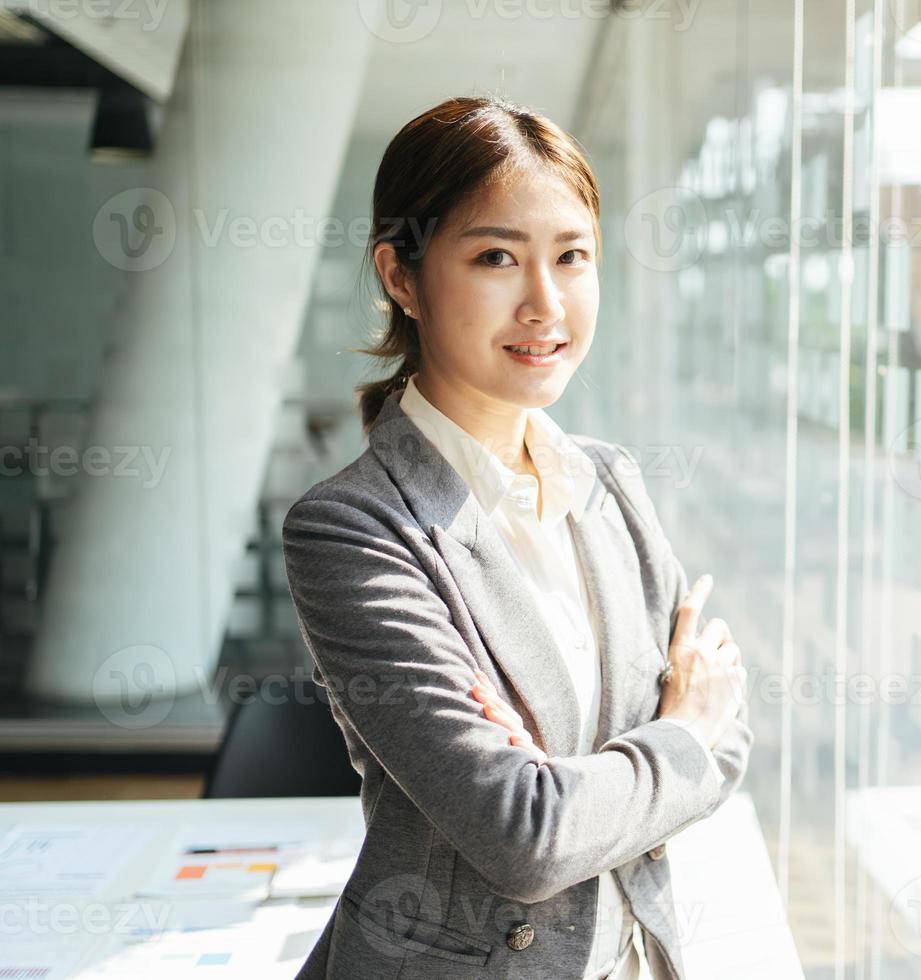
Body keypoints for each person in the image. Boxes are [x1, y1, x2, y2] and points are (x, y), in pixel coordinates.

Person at [281, 95, 752, 980]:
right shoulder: (355, 528)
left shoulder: (608, 484)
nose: (546, 302)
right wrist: (672, 729)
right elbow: (524, 836)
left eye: (572, 256)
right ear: (400, 275)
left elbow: (730, 730)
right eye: (496, 256)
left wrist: (594, 774)